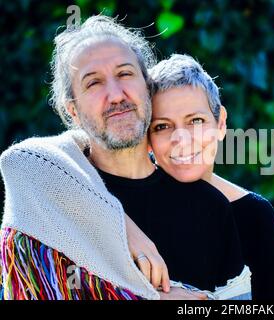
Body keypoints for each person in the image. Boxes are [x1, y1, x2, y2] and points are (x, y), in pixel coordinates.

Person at [0, 15, 248, 300]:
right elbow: (17, 162)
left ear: (148, 87)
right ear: (73, 111)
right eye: (93, 83)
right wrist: (119, 227)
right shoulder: (49, 206)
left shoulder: (214, 208)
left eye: (125, 74)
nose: (116, 95)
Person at [148, 54, 274, 299]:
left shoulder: (256, 215)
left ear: (221, 123)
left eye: (195, 121)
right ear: (147, 139)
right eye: (162, 126)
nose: (181, 139)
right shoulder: (125, 207)